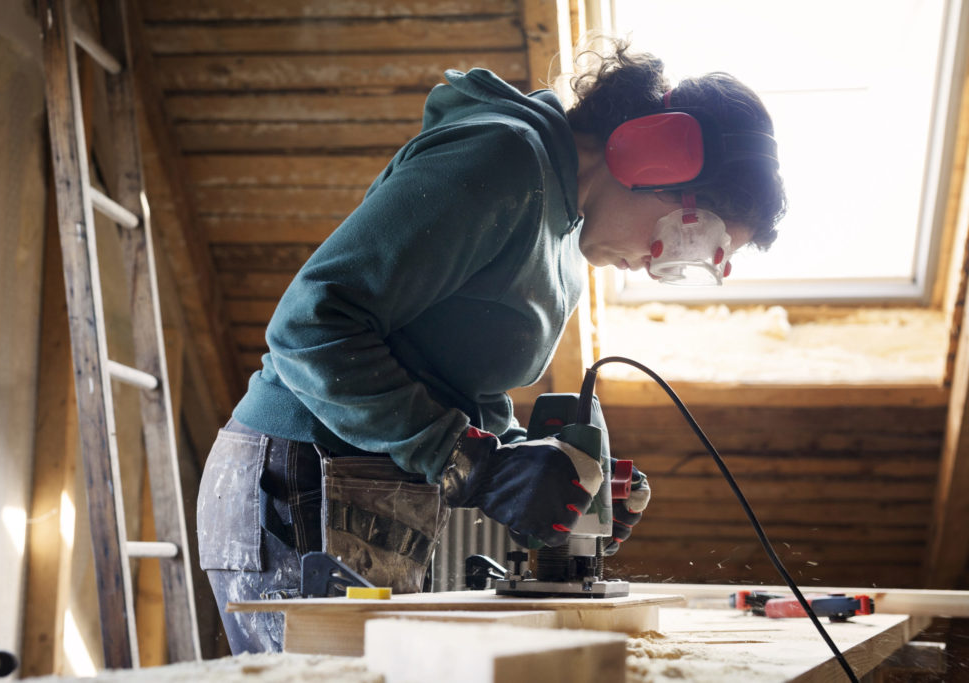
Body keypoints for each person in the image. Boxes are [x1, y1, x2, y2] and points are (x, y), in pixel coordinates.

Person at [196, 38, 787, 654]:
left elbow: (459, 387)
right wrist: (471, 461)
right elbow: (308, 324)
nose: (655, 262)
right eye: (688, 237)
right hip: (297, 485)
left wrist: (556, 477)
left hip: (367, 494)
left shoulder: (564, 233)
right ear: (652, 157)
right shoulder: (502, 157)